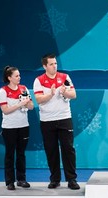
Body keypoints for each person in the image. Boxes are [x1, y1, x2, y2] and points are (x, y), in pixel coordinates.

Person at [33, 53, 80, 190]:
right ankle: (55, 179)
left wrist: (64, 92)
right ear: (44, 66)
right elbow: (39, 100)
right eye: (51, 64)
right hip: (47, 120)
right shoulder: (39, 80)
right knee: (51, 150)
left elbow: (74, 95)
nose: (55, 66)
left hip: (64, 118)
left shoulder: (65, 77)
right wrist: (51, 94)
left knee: (68, 149)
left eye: (55, 63)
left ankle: (71, 179)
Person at [0, 66, 34, 190]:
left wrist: (27, 102)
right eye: (16, 76)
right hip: (9, 127)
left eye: (19, 75)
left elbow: (31, 107)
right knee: (10, 154)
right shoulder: (3, 91)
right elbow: (5, 110)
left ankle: (21, 179)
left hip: (23, 126)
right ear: (9, 78)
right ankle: (10, 181)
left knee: (21, 153)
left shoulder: (24, 88)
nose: (19, 78)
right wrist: (19, 104)